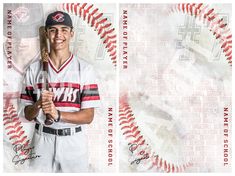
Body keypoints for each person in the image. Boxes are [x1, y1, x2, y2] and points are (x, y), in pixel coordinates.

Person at [20, 11, 100, 172]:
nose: (59, 34)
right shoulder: (33, 69)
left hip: (73, 143)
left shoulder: (84, 69)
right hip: (42, 141)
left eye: (64, 29)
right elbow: (27, 114)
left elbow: (88, 116)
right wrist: (38, 104)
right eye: (53, 30)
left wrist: (58, 115)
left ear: (71, 33)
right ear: (47, 33)